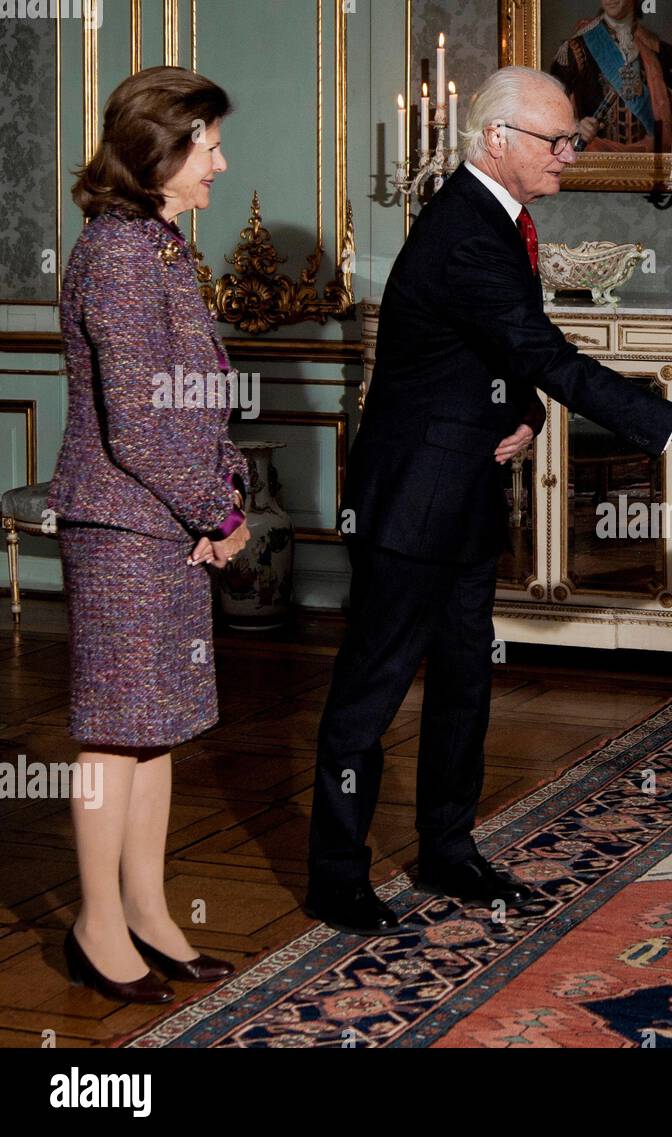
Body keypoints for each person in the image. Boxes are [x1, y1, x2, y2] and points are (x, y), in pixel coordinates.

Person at [304, 66, 672, 935]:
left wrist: (522, 415)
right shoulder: (463, 231)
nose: (573, 152)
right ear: (497, 140)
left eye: (573, 138)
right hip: (412, 502)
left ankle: (448, 850)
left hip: (462, 492)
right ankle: (335, 877)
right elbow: (547, 352)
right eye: (557, 140)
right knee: (368, 699)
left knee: (464, 685)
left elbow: (505, 357)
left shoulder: (500, 221)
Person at [49, 66, 250, 1004]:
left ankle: (147, 910)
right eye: (206, 142)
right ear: (157, 150)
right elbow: (135, 423)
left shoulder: (155, 243)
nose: (219, 159)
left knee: (155, 728)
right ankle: (96, 922)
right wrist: (214, 511)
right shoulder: (124, 253)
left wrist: (224, 495)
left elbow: (195, 396)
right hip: (126, 524)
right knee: (111, 734)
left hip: (163, 520)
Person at [549, 0, 672, 152]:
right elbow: (549, 108)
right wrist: (576, 127)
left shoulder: (663, 53)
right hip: (593, 166)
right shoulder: (575, 49)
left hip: (652, 167)